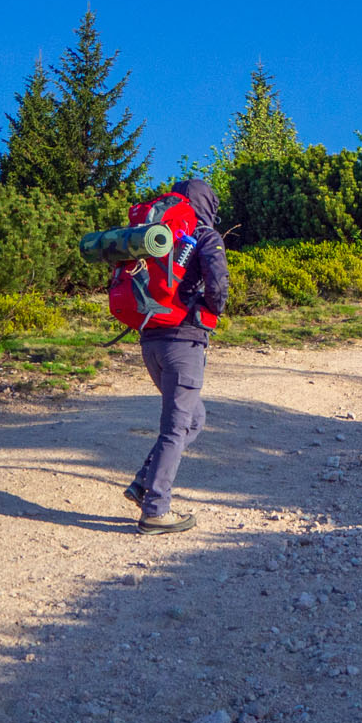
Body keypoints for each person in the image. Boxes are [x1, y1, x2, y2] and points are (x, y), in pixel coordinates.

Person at [124, 177, 229, 535]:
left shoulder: (156, 234)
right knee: (175, 427)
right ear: (208, 204)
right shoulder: (204, 236)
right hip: (183, 343)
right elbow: (217, 286)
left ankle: (143, 483)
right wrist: (210, 309)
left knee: (194, 418)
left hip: (150, 340)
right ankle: (155, 510)